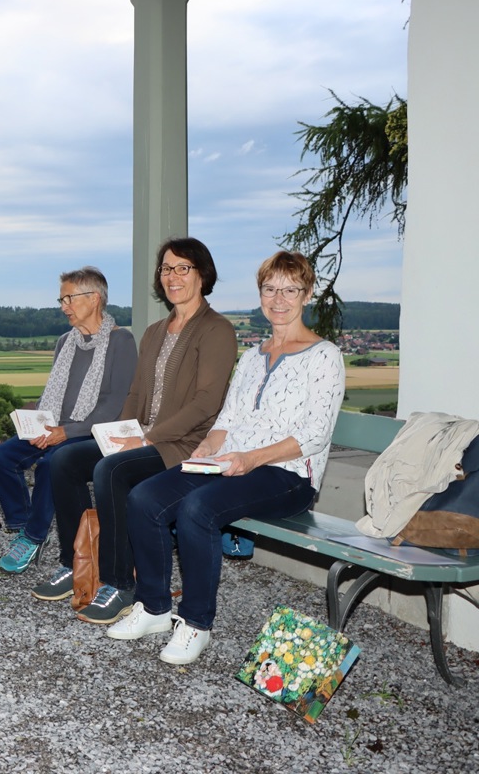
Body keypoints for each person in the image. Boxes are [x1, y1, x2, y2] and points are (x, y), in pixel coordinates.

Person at [107, 251, 345, 666]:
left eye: (290, 290)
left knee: (198, 509)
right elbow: (227, 418)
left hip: (286, 475)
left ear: (306, 295)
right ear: (260, 295)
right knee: (145, 497)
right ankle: (155, 607)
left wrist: (250, 459)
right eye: (270, 289)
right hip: (231, 463)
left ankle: (196, 624)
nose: (279, 299)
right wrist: (204, 451)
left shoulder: (324, 356)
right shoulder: (254, 357)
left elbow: (314, 435)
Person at [35, 238, 237, 616]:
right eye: (166, 269)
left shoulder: (217, 330)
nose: (172, 276)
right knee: (64, 460)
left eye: (182, 268)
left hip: (184, 443)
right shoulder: (156, 331)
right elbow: (136, 392)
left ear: (202, 273)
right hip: (144, 435)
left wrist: (146, 437)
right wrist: (118, 433)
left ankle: (119, 584)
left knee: (111, 470)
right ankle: (77, 563)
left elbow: (207, 403)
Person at [0, 268, 137, 573]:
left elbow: (113, 403)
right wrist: (36, 423)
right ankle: (24, 524)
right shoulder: (64, 342)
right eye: (62, 298)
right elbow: (52, 394)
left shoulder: (120, 340)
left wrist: (65, 432)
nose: (63, 306)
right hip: (55, 425)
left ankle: (32, 536)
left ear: (94, 299)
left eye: (68, 298)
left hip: (91, 432)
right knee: (0, 456)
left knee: (49, 464)